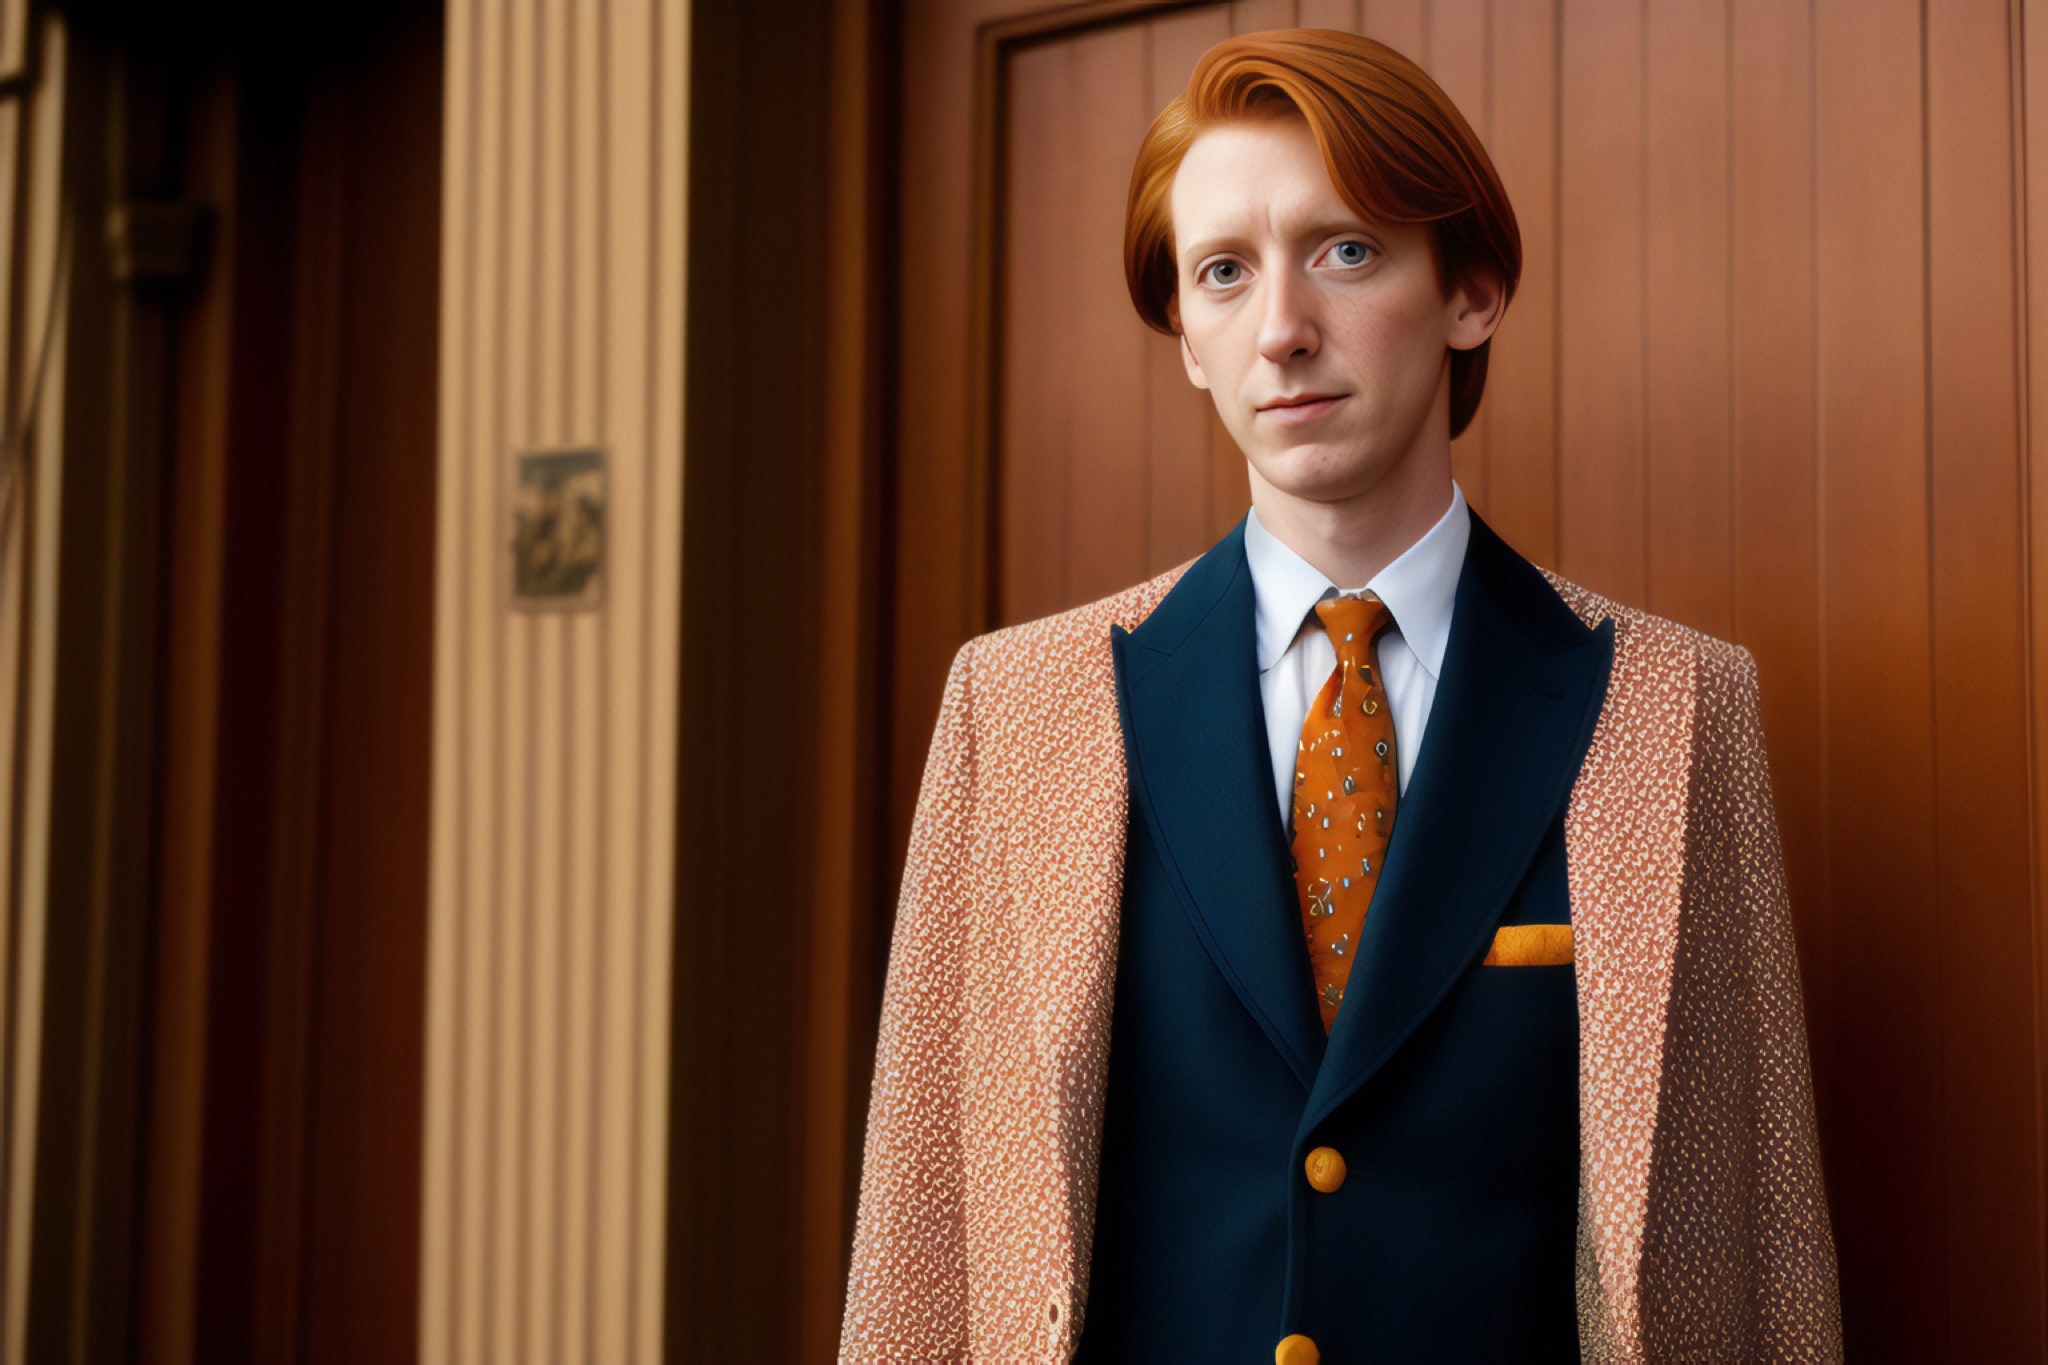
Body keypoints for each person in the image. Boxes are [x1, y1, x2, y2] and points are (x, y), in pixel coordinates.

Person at [840, 28, 1839, 1363]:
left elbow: (1764, 1249)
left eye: (1346, 250)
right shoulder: (1015, 707)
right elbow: (923, 1236)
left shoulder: (1679, 708)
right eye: (1224, 273)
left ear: (1470, 289)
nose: (1284, 330)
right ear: (1188, 339)